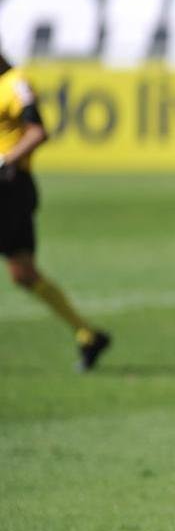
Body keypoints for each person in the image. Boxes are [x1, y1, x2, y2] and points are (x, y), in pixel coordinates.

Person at [0, 50, 110, 370]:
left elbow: (38, 131)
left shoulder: (16, 84)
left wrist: (7, 160)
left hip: (9, 188)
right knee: (22, 274)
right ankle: (88, 334)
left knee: (23, 273)